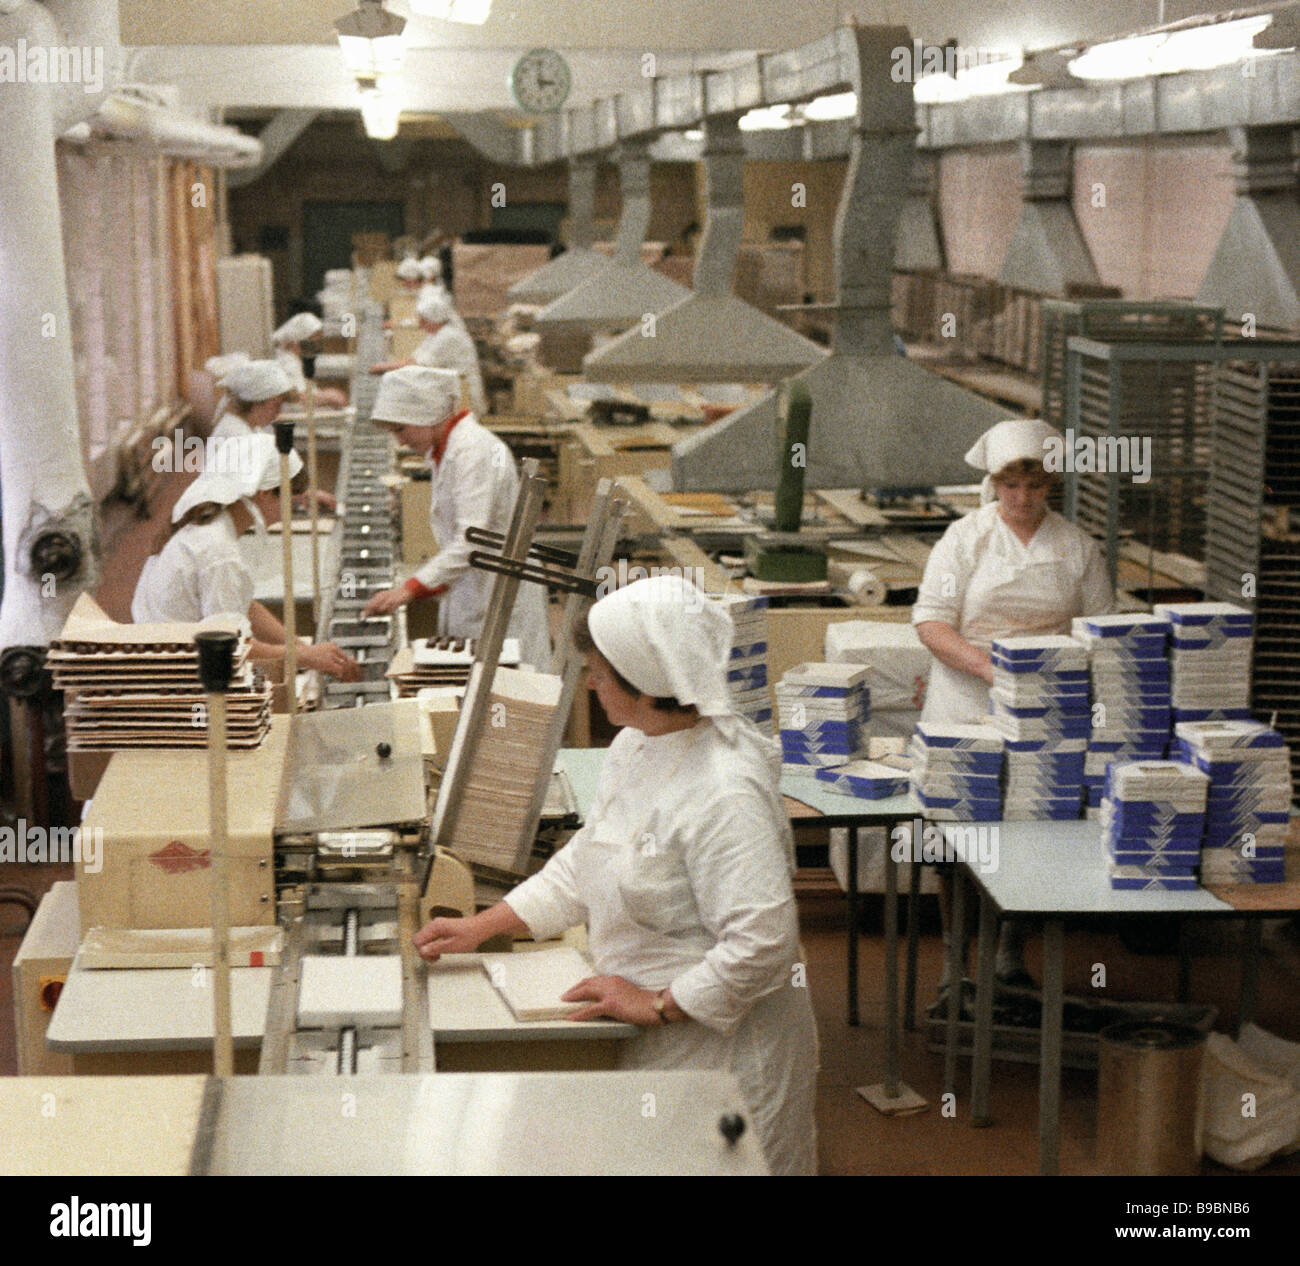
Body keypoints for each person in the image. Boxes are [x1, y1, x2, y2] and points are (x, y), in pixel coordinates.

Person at [413, 576, 820, 1175]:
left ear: (647, 682)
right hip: (663, 1038)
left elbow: (763, 944)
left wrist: (659, 1003)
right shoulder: (637, 745)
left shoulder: (724, 791)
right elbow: (589, 861)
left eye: (601, 670)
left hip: (727, 1050)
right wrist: (483, 925)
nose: (592, 681)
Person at [913, 417, 1113, 989]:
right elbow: (930, 621)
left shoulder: (1076, 547)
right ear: (994, 483)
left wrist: (1046, 669)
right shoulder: (965, 539)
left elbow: (1103, 630)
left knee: (1029, 832)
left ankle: (1009, 952)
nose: (1022, 499)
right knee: (956, 839)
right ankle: (955, 961)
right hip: (964, 704)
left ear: (1052, 486)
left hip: (1045, 713)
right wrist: (989, 667)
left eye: (1036, 487)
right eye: (1011, 486)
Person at [132, 431, 360, 682]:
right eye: (289, 500)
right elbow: (232, 647)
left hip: (175, 662)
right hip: (178, 680)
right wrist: (303, 656)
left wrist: (299, 646)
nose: (289, 512)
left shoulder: (211, 527)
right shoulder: (219, 552)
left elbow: (242, 605)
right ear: (263, 493)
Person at [360, 366, 550, 668]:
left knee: (511, 696)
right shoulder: (447, 451)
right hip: (479, 590)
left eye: (401, 429)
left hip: (500, 598)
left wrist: (407, 590)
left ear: (427, 415)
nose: (400, 442)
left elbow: (471, 540)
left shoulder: (475, 452)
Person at [209, 359, 336, 514]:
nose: (279, 412)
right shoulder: (235, 434)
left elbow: (267, 482)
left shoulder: (248, 428)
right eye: (276, 405)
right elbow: (256, 492)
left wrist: (305, 495)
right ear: (256, 402)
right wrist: (303, 495)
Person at [370, 291, 486, 415]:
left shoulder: (448, 336)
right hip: (448, 393)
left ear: (433, 319)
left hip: (462, 397)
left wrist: (383, 367)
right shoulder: (435, 334)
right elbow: (412, 359)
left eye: (423, 320)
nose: (420, 325)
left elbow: (418, 364)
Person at [271, 312, 348, 408]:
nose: (316, 343)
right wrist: (328, 396)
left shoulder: (292, 358)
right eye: (313, 339)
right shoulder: (288, 361)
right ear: (300, 339)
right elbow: (299, 397)